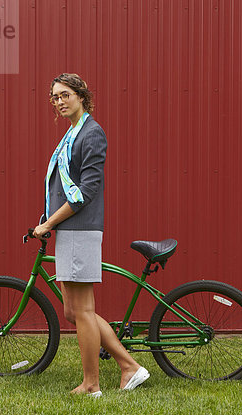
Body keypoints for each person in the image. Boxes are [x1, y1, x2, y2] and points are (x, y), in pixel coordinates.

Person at [33, 73, 149, 397]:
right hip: (69, 229)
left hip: (79, 230)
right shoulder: (72, 134)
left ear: (81, 96)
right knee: (72, 311)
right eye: (55, 96)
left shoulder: (91, 134)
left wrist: (48, 223)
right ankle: (129, 366)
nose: (59, 100)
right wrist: (50, 219)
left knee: (82, 311)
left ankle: (91, 384)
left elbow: (86, 191)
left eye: (65, 94)